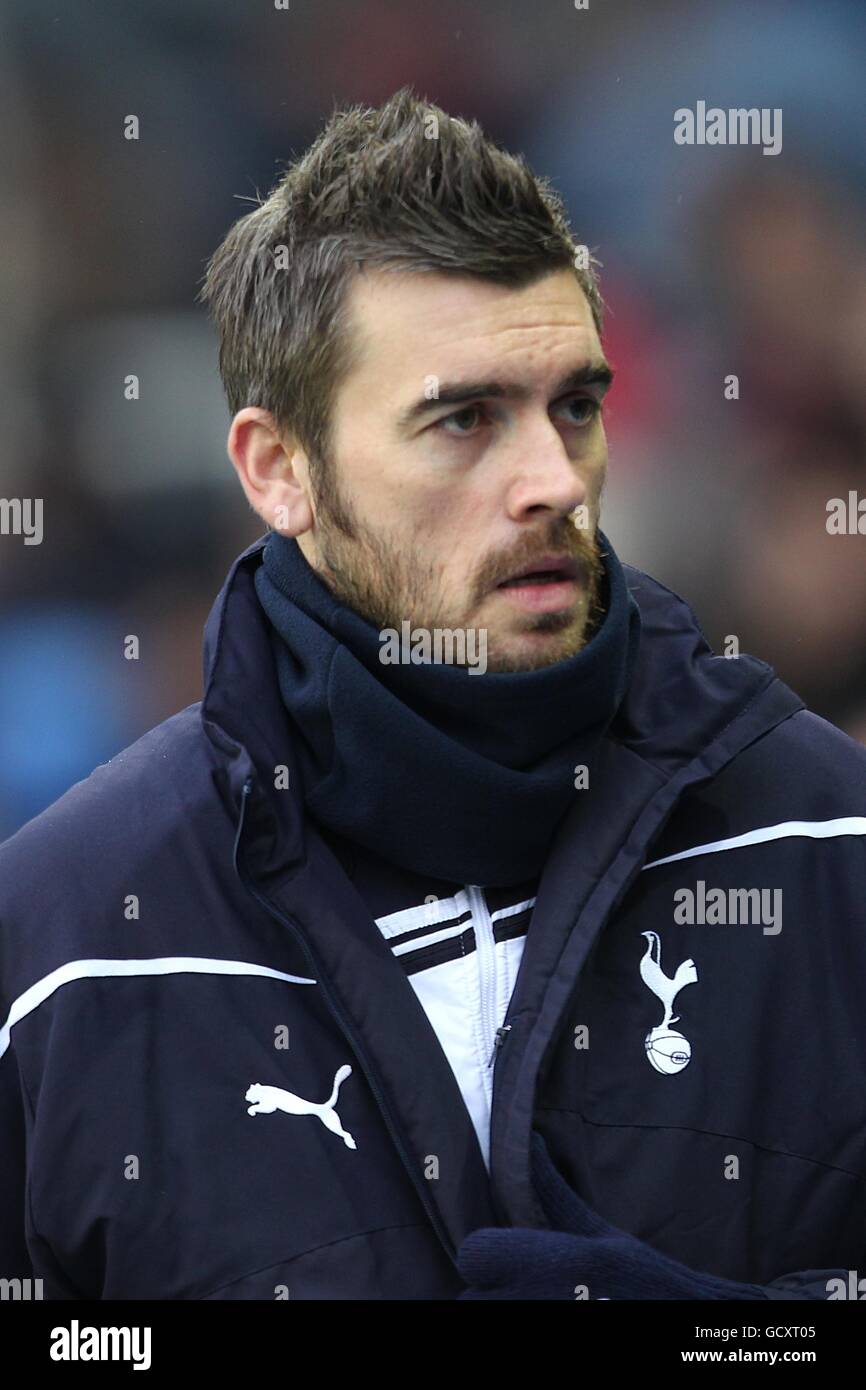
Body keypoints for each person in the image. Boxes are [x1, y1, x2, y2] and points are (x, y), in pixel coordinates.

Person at [1, 88, 865, 1302]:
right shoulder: (63, 939)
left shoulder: (831, 839)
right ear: (278, 469)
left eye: (574, 405)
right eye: (463, 420)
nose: (552, 480)